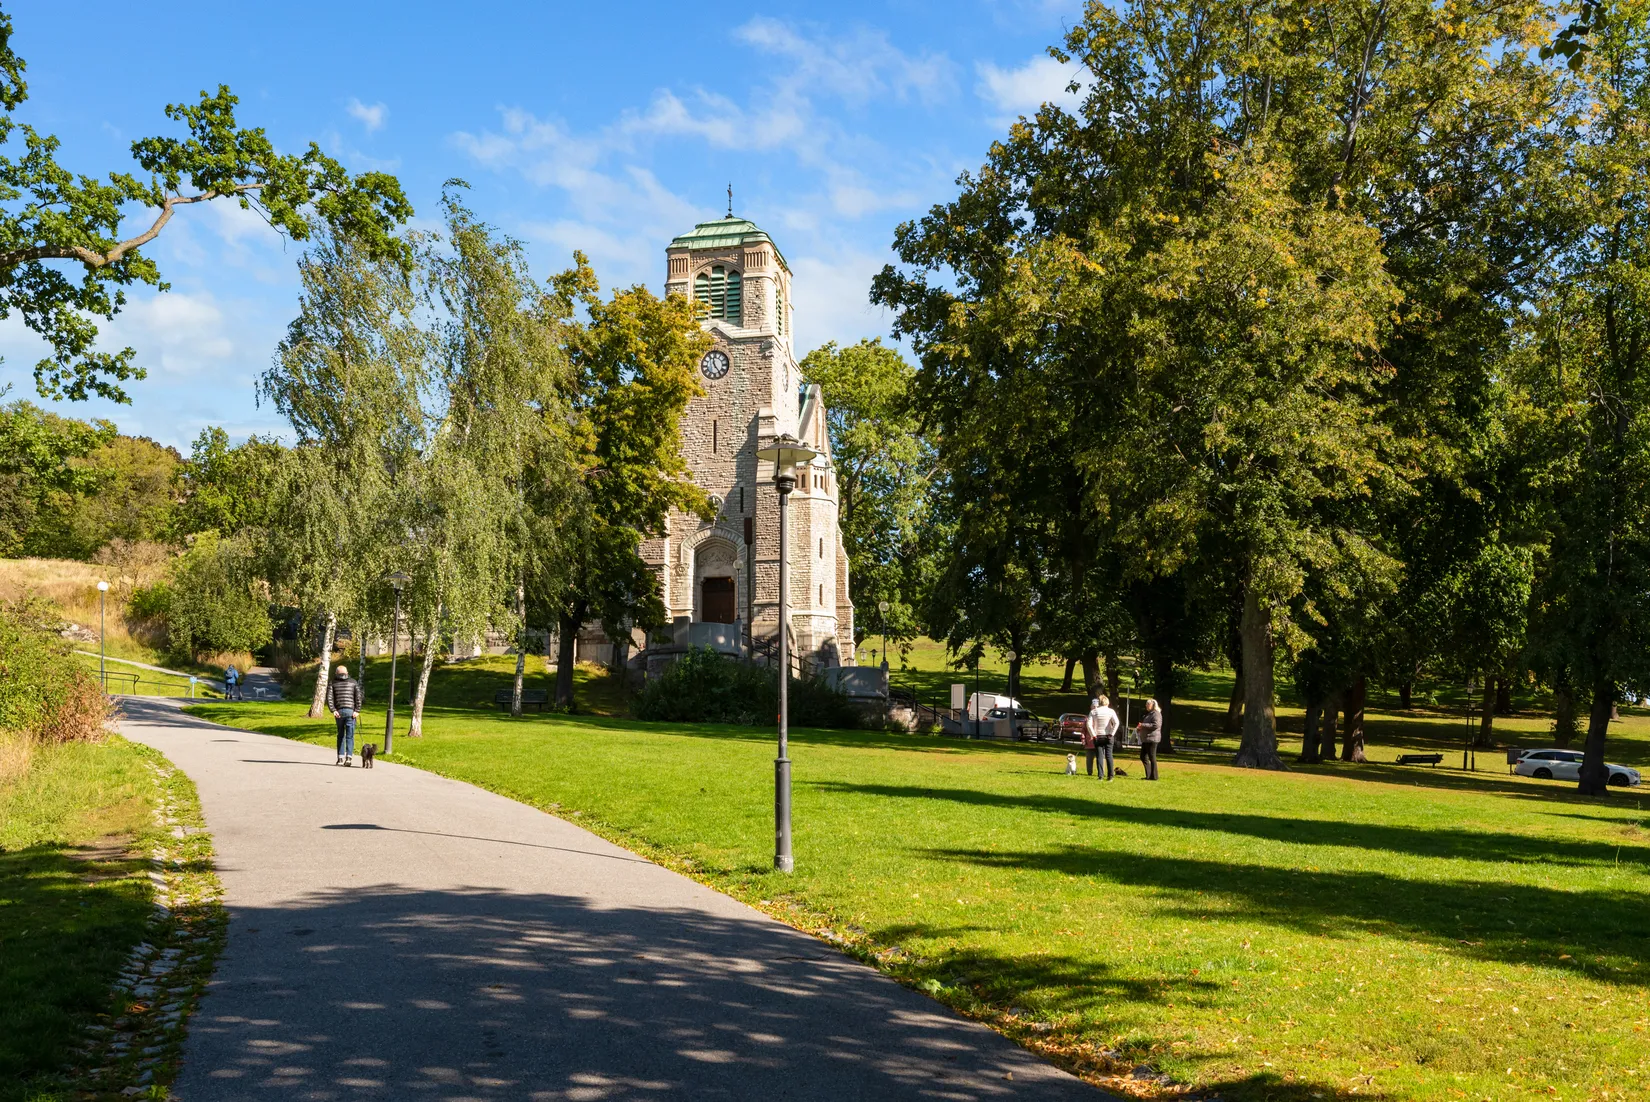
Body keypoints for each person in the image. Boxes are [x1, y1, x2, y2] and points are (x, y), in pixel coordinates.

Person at [327, 664, 364, 766]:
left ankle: (340, 758)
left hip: (339, 712)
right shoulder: (353, 682)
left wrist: (333, 710)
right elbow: (358, 697)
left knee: (340, 735)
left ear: (336, 673)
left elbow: (329, 698)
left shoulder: (332, 683)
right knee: (350, 736)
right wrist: (357, 710)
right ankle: (349, 758)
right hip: (351, 712)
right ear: (346, 673)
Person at [1088, 694, 1120, 780]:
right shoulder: (1111, 711)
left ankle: (1100, 776)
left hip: (1098, 736)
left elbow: (1089, 724)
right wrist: (1111, 733)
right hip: (1108, 736)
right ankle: (1110, 776)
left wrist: (1093, 735)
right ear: (1107, 702)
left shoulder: (1094, 711)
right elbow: (1116, 723)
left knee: (1099, 756)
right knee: (1109, 755)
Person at [1136, 698, 1162, 780]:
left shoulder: (1156, 714)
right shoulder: (1149, 714)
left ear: (1153, 705)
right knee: (1143, 756)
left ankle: (1154, 776)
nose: (1146, 705)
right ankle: (1149, 775)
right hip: (1146, 739)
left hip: (1152, 739)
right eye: (1146, 704)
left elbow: (1156, 725)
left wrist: (1143, 725)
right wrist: (1140, 728)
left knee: (1152, 757)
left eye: (1148, 704)